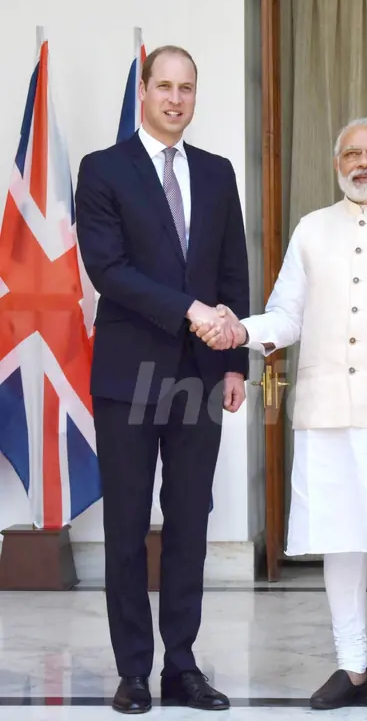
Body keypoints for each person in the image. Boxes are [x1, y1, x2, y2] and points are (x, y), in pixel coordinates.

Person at [194, 117, 367, 712]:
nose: (365, 162)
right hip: (326, 414)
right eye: (353, 153)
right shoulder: (311, 229)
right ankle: (352, 668)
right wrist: (241, 328)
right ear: (337, 163)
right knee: (340, 541)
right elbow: (287, 315)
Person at [75, 45, 249, 714]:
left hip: (201, 378)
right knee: (125, 526)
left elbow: (232, 268)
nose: (176, 100)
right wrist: (189, 310)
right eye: (165, 87)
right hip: (127, 375)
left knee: (188, 525)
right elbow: (108, 270)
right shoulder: (103, 170)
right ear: (144, 91)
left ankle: (181, 665)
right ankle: (134, 672)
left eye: (187, 89)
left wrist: (234, 361)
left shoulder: (215, 171)